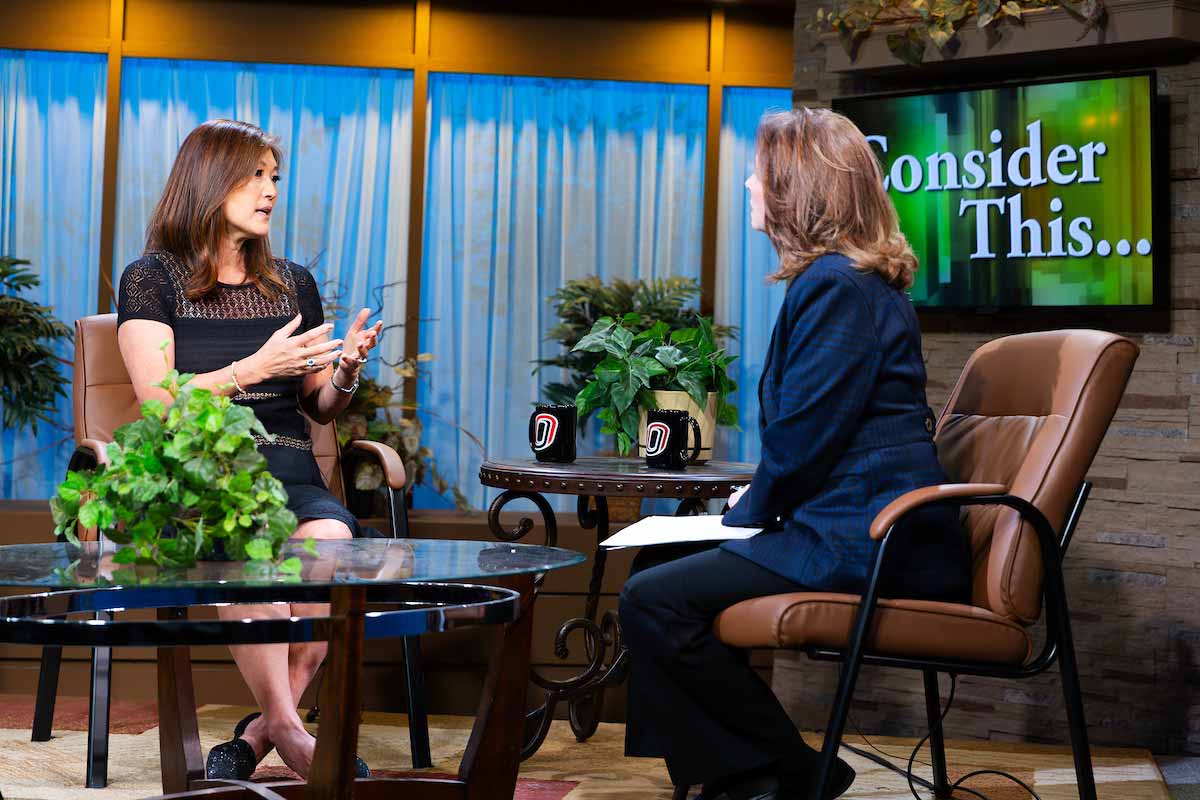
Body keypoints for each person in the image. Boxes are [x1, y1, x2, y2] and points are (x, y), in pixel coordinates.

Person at [618, 108, 972, 800]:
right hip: (848, 521)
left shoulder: (837, 287)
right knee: (656, 566)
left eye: (761, 173)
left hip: (864, 537)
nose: (750, 183)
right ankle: (763, 773)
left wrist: (743, 515)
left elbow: (803, 443)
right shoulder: (843, 283)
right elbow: (812, 440)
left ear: (797, 190)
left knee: (651, 600)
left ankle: (769, 772)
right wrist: (747, 510)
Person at [115, 119, 384, 780]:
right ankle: (294, 737)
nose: (270, 192)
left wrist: (345, 369)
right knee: (256, 549)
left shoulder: (292, 281)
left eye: (275, 178)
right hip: (210, 472)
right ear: (209, 180)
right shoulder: (153, 279)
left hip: (289, 467)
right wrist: (255, 367)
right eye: (255, 176)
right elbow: (160, 402)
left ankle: (259, 737)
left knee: (331, 547)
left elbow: (321, 404)